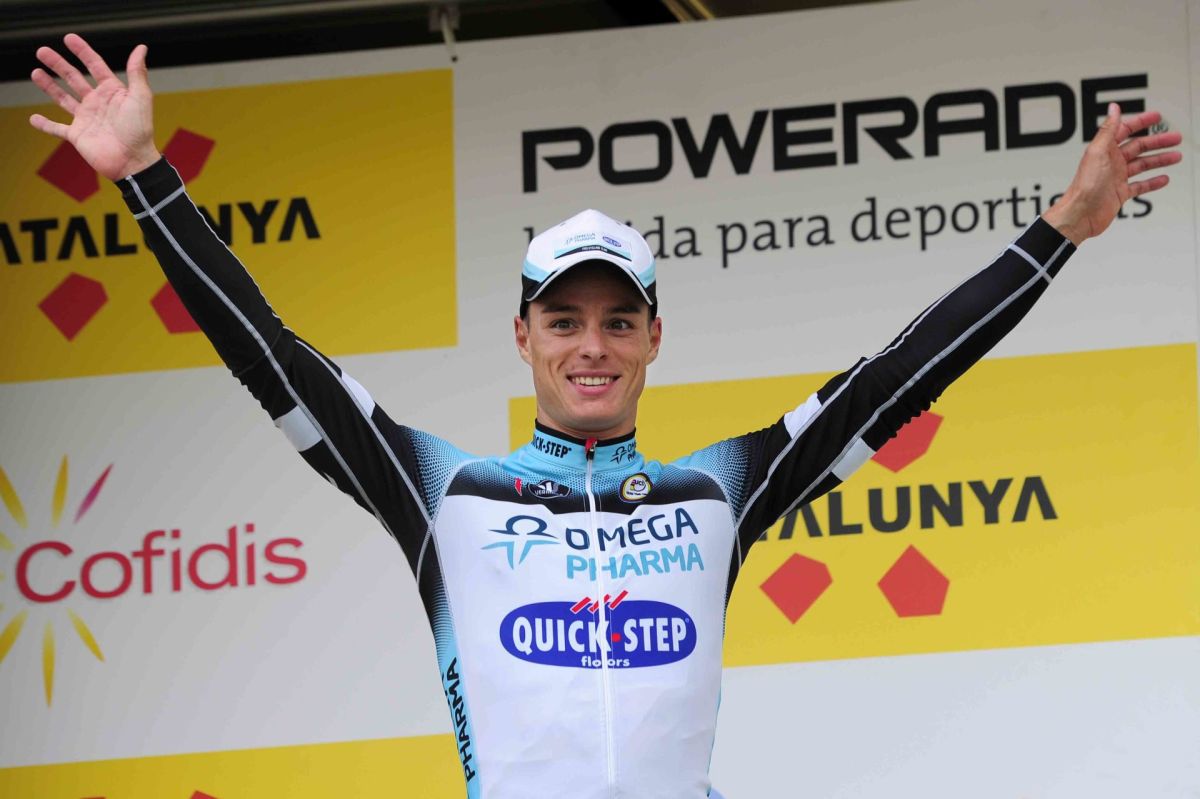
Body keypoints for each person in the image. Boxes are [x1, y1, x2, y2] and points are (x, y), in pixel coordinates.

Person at [28, 33, 1182, 799]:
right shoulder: (446, 492)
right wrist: (144, 177)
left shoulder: (717, 487)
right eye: (566, 319)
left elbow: (893, 379)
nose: (592, 345)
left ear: (653, 339)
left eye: (619, 320)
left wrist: (1058, 234)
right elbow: (275, 358)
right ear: (522, 336)